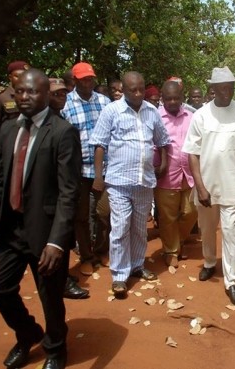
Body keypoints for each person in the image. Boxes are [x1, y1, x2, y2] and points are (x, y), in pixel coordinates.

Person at [0, 68, 82, 369]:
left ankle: (56, 349)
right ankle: (28, 333)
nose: (25, 97)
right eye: (21, 92)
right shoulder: (8, 130)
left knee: (50, 297)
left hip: (46, 234)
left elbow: (69, 193)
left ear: (46, 95)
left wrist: (57, 242)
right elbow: (0, 183)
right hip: (11, 228)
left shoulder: (62, 132)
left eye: (33, 92)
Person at [182, 66, 235, 308]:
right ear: (212, 89)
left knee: (230, 232)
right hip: (207, 185)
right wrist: (200, 186)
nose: (226, 92)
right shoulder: (201, 115)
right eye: (221, 88)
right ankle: (208, 263)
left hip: (234, 184)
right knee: (207, 229)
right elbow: (192, 154)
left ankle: (232, 282)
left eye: (230, 87)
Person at [90, 71, 170, 299]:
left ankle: (136, 265)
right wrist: (98, 176)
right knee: (120, 226)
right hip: (118, 181)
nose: (138, 93)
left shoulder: (152, 111)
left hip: (144, 181)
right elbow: (99, 144)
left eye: (141, 89)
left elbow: (162, 140)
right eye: (132, 90)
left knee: (139, 227)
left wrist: (163, 163)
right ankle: (119, 275)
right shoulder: (111, 111)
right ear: (123, 90)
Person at [60, 61, 110, 275]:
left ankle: (101, 250)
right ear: (75, 80)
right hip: (77, 170)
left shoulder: (105, 102)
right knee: (81, 216)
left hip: (104, 168)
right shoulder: (66, 103)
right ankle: (87, 256)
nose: (88, 82)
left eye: (91, 78)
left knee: (104, 213)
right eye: (83, 79)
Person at [49, 78, 89, 300]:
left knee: (66, 232)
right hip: (52, 192)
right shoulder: (46, 123)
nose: (61, 97)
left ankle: (62, 275)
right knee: (56, 236)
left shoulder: (61, 119)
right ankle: (61, 282)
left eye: (63, 93)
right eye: (55, 94)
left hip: (68, 187)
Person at [154, 80, 197, 268]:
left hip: (190, 174)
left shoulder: (191, 117)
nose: (172, 102)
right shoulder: (155, 117)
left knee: (191, 211)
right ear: (162, 99)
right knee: (167, 216)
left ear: (182, 98)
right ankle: (171, 250)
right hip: (165, 175)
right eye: (168, 98)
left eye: (176, 98)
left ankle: (178, 240)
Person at [0, 60, 30, 177]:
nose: (21, 79)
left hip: (28, 151)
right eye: (17, 76)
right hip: (6, 153)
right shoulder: (0, 97)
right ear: (10, 77)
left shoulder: (32, 95)